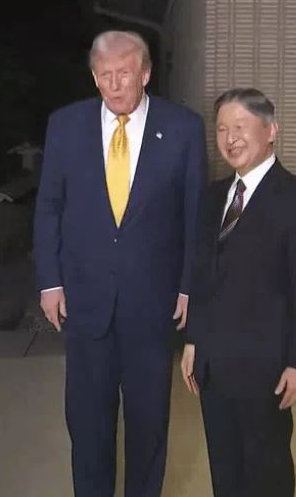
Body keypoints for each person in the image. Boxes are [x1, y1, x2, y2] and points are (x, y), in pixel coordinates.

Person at [34, 30, 207, 497]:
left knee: (149, 423)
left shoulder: (184, 128)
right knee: (88, 422)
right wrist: (50, 282)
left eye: (124, 74)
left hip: (153, 304)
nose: (114, 85)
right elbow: (49, 208)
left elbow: (194, 215)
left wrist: (188, 286)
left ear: (145, 73)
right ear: (94, 76)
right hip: (85, 300)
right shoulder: (65, 125)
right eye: (104, 75)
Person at [181, 88, 296, 497]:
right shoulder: (213, 198)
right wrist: (194, 339)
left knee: (267, 467)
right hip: (214, 363)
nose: (230, 138)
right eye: (222, 129)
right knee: (224, 465)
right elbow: (202, 275)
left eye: (240, 126)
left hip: (267, 366)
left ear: (271, 130)